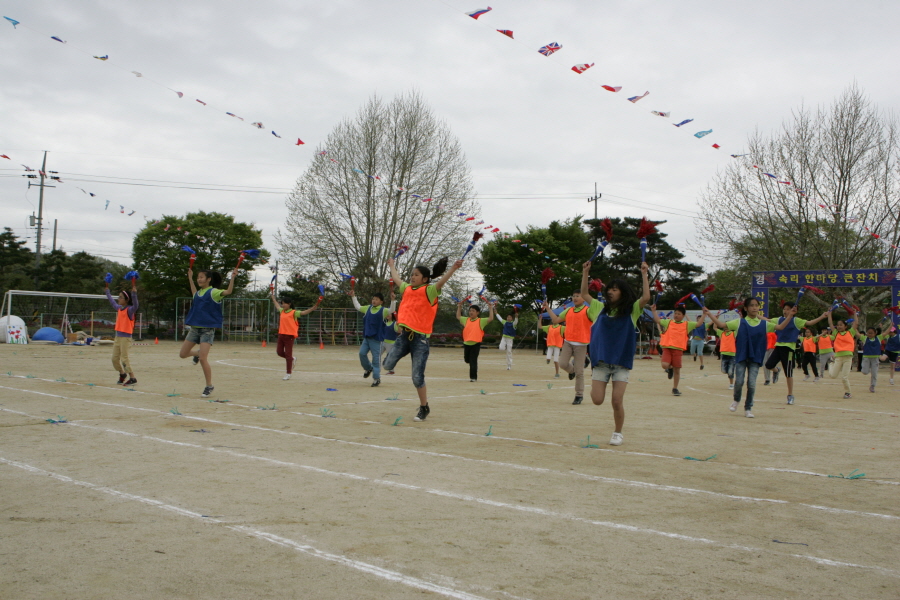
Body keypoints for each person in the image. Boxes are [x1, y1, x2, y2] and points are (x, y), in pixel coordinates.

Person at [383, 256, 463, 422]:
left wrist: (453, 269)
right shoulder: (406, 288)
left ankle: (424, 407)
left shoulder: (429, 290)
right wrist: (392, 265)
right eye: (412, 274)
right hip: (404, 336)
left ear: (425, 279)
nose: (412, 277)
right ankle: (403, 352)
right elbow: (396, 278)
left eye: (416, 275)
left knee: (417, 377)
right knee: (387, 365)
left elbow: (440, 283)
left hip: (420, 340)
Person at [583, 259, 650, 446]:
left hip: (621, 363)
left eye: (615, 289)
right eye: (609, 289)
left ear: (623, 292)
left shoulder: (632, 310)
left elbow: (645, 298)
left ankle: (618, 432)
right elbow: (584, 293)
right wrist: (585, 272)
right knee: (597, 400)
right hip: (602, 363)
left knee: (616, 400)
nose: (610, 291)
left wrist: (644, 274)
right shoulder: (598, 309)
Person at [704, 298, 795, 418]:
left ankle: (748, 408)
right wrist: (709, 313)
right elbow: (721, 325)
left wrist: (790, 315)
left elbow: (781, 327)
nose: (754, 307)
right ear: (746, 308)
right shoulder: (739, 322)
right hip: (741, 356)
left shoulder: (764, 324)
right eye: (752, 305)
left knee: (751, 384)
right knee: (739, 381)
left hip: (756, 358)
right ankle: (736, 400)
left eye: (756, 305)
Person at [179, 267, 237, 397]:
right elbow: (194, 293)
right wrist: (190, 277)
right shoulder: (198, 294)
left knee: (204, 359)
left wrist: (232, 277)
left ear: (208, 279)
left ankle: (209, 385)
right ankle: (197, 353)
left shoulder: (213, 292)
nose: (199, 279)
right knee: (183, 354)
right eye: (198, 277)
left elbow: (228, 291)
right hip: (194, 329)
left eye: (201, 277)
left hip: (207, 331)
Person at [544, 285, 601, 405]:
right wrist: (548, 309)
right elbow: (555, 320)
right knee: (563, 363)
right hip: (568, 342)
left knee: (580, 372)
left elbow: (598, 313)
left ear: (584, 298)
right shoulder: (568, 310)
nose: (575, 298)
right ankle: (571, 371)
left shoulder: (588, 310)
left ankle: (579, 395)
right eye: (573, 296)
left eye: (578, 296)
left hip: (581, 344)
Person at [764, 302, 829, 404]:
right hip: (778, 347)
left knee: (788, 373)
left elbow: (810, 323)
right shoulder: (779, 319)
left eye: (788, 309)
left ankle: (790, 395)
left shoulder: (796, 321)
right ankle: (776, 370)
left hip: (789, 348)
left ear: (794, 311)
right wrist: (755, 315)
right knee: (768, 365)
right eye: (784, 309)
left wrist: (822, 316)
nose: (785, 311)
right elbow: (766, 320)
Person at [651, 304, 704, 396]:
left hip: (678, 350)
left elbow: (699, 324)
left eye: (679, 314)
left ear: (683, 316)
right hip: (667, 348)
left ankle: (675, 388)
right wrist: (654, 311)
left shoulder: (687, 324)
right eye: (675, 313)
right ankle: (669, 368)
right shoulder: (668, 322)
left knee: (677, 370)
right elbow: (658, 320)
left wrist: (704, 314)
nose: (676, 315)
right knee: (664, 365)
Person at [351, 289, 396, 387]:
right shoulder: (368, 308)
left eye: (376, 299)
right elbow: (358, 307)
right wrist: (353, 296)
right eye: (373, 299)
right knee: (362, 354)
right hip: (367, 338)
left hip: (377, 339)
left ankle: (376, 379)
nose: (374, 300)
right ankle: (368, 368)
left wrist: (393, 300)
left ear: (381, 302)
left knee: (376, 360)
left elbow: (391, 310)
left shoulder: (383, 310)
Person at [269, 290, 317, 380]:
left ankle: (288, 373)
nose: (282, 305)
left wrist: (311, 309)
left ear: (289, 304)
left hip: (289, 336)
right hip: (281, 335)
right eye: (282, 303)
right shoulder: (282, 311)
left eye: (284, 303)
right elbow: (276, 305)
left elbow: (303, 313)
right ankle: (292, 358)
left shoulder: (294, 312)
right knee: (279, 352)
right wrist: (273, 298)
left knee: (288, 354)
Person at [105, 276, 138, 386]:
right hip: (118, 337)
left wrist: (134, 294)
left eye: (120, 297)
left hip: (126, 337)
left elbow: (136, 305)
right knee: (114, 359)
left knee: (124, 358)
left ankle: (132, 377)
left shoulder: (130, 310)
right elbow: (111, 302)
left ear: (126, 299)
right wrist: (107, 292)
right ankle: (122, 373)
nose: (118, 299)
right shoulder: (119, 308)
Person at [457, 300, 495, 382]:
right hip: (466, 343)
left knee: (473, 361)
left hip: (476, 344)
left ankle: (473, 377)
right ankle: (472, 371)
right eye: (470, 310)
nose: (471, 312)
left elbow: (491, 318)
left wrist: (490, 308)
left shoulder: (481, 321)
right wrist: (459, 306)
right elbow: (458, 316)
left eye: (473, 311)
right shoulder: (466, 320)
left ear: (477, 312)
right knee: (467, 360)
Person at [824, 312, 858, 399]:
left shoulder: (850, 332)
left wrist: (854, 313)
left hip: (848, 357)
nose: (839, 326)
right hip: (838, 357)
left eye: (841, 325)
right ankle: (831, 363)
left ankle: (848, 392)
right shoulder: (836, 333)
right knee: (833, 376)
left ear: (845, 326)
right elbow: (830, 323)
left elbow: (856, 323)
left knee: (844, 377)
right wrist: (830, 314)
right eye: (838, 325)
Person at [860, 326, 892, 393]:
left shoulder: (879, 338)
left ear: (875, 333)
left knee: (874, 373)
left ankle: (872, 386)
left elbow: (886, 332)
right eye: (868, 333)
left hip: (875, 358)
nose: (870, 334)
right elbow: (857, 333)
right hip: (866, 358)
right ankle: (867, 368)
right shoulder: (865, 338)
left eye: (871, 333)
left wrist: (890, 326)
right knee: (865, 372)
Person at [717, 322, 737, 389]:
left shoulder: (733, 333)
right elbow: (714, 327)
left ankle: (731, 384)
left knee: (730, 372)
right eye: (725, 326)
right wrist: (716, 319)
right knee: (724, 371)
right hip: (724, 354)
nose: (726, 328)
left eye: (727, 326)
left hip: (732, 354)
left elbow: (740, 327)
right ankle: (731, 374)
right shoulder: (722, 333)